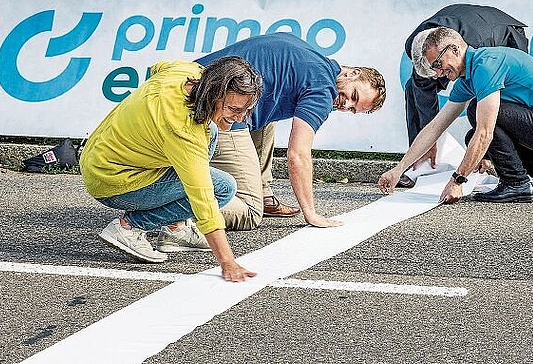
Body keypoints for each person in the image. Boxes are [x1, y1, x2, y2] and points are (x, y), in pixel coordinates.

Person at [80, 57, 262, 282]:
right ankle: (129, 227)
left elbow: (157, 66)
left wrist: (146, 117)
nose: (240, 118)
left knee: (211, 131)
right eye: (234, 109)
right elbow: (203, 199)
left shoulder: (186, 72)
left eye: (247, 110)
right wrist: (228, 262)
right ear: (213, 93)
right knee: (223, 188)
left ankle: (176, 228)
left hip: (98, 155)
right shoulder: (184, 130)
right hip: (112, 182)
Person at [196, 33, 387, 228]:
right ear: (352, 73)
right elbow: (298, 154)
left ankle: (264, 194)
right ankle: (174, 207)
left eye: (353, 109)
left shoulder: (307, 54)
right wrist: (310, 213)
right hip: (212, 112)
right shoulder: (323, 89)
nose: (346, 105)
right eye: (353, 96)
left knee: (268, 117)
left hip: (188, 87)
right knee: (250, 212)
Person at [379, 27, 533, 203]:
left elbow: (486, 133)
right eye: (434, 69)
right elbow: (435, 127)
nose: (438, 74)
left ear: (454, 49)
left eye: (438, 64)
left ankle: (516, 183)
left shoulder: (486, 65)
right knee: (472, 136)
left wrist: (457, 181)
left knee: (478, 115)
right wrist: (399, 169)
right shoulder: (468, 78)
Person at [399, 4, 528, 188]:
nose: (438, 77)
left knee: (491, 103)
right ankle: (420, 163)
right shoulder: (418, 46)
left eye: (438, 69)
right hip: (456, 25)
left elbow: (485, 109)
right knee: (414, 87)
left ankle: (509, 169)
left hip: (502, 31)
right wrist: (427, 143)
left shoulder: (481, 51)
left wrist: (479, 152)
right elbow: (422, 92)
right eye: (433, 71)